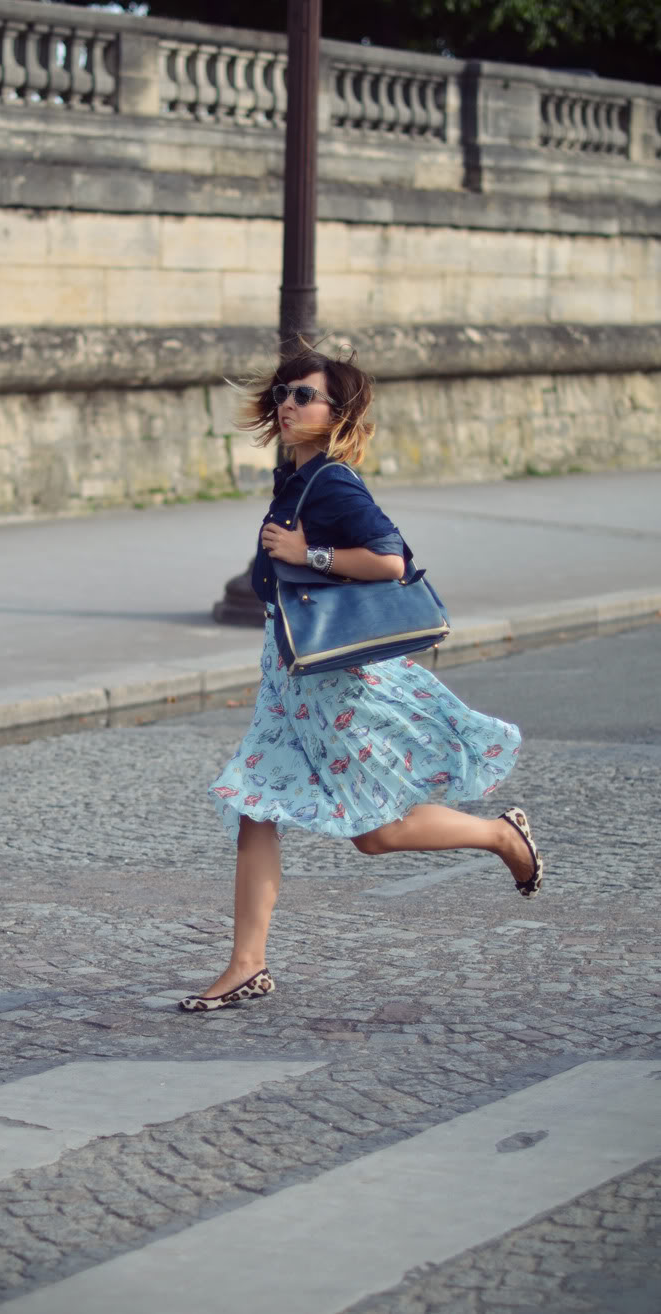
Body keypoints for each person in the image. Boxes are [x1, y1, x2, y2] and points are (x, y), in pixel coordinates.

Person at [179, 348, 542, 1013]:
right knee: (255, 805)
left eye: (305, 396)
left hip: (334, 682)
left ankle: (499, 834)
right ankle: (246, 963)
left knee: (375, 834)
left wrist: (308, 552)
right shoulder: (293, 473)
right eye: (285, 393)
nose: (289, 404)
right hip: (289, 678)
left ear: (337, 413)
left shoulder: (333, 483)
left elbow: (391, 560)